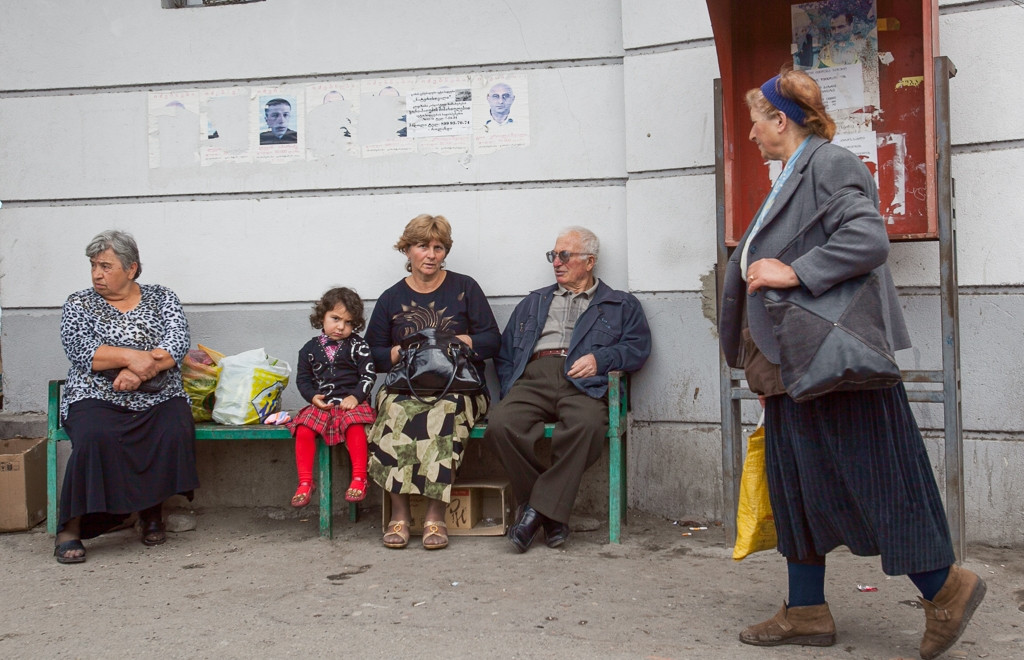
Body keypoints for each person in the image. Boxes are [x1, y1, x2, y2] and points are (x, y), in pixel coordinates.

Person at [717, 67, 985, 659]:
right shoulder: (792, 173)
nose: (752, 133)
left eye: (756, 121)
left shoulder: (830, 164)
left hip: (834, 365)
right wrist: (765, 368)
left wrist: (793, 271)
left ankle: (946, 589)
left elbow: (867, 239)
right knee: (795, 487)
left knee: (876, 481)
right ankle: (806, 610)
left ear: (780, 119)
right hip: (794, 364)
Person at [485, 226, 651, 552]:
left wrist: (601, 359)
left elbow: (638, 348)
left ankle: (534, 513)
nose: (556, 262)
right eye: (553, 255)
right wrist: (512, 386)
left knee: (588, 425)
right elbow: (505, 354)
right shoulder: (533, 302)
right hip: (534, 377)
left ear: (590, 262)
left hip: (583, 382)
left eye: (564, 255)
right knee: (501, 425)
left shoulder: (620, 304)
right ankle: (551, 513)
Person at [54, 230, 199, 564]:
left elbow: (176, 343)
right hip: (95, 394)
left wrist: (139, 371)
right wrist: (133, 357)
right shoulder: (78, 303)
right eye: (93, 265)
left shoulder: (162, 297)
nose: (96, 274)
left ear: (131, 268)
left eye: (105, 266)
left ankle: (150, 513)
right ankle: (70, 528)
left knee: (172, 427)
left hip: (158, 394)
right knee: (94, 436)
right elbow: (82, 351)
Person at [365, 214, 500, 550]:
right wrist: (401, 350)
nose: (431, 254)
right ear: (407, 250)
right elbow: (372, 355)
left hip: (460, 387)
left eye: (438, 248)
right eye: (423, 246)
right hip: (405, 387)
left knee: (442, 413)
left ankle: (435, 515)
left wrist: (462, 341)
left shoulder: (465, 288)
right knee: (396, 412)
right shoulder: (391, 297)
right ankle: (399, 514)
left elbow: (493, 340)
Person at [286, 287, 376, 508]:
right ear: (322, 317)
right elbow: (303, 380)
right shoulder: (309, 349)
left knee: (355, 426)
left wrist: (356, 397)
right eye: (335, 319)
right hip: (323, 405)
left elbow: (368, 375)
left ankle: (359, 477)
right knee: (303, 428)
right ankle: (305, 481)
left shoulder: (359, 346)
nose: (341, 327)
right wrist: (312, 397)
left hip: (351, 404)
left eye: (348, 322)